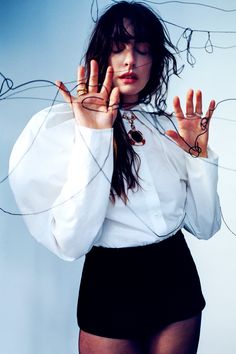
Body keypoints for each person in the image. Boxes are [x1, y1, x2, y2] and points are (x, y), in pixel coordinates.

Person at [9, 1, 221, 353]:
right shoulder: (59, 128)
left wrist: (198, 156)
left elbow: (206, 226)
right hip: (112, 285)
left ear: (156, 61)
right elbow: (71, 243)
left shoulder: (169, 127)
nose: (130, 61)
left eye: (143, 49)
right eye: (118, 47)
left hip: (176, 276)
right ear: (100, 57)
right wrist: (94, 134)